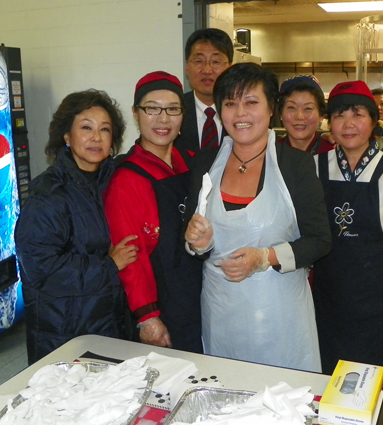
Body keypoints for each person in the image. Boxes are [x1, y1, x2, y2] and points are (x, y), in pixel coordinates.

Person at [184, 63, 331, 372]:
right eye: (230, 103)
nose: (240, 113)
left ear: (271, 109)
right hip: (221, 308)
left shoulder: (295, 165)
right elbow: (195, 239)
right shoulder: (206, 163)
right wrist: (198, 243)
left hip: (279, 311)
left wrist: (265, 257)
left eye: (251, 102)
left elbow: (319, 241)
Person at [313, 80, 383, 403]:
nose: (348, 124)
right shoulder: (315, 168)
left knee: (374, 387)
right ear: (329, 122)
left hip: (381, 298)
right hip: (330, 297)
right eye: (338, 115)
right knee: (330, 384)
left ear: (373, 120)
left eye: (358, 114)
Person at [15, 89, 138, 364]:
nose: (96, 137)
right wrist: (108, 265)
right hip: (65, 333)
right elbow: (41, 269)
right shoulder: (49, 194)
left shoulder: (111, 181)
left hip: (108, 323)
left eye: (105, 129)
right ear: (67, 136)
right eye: (86, 127)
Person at [103, 71, 203, 353]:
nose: (163, 119)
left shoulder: (194, 164)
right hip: (163, 304)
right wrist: (148, 317)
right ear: (136, 113)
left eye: (172, 109)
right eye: (152, 109)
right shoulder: (126, 179)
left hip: (202, 295)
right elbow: (131, 257)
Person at [175, 28, 233, 157]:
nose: (207, 70)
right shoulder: (173, 111)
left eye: (216, 62)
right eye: (199, 61)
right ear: (187, 67)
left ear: (229, 67)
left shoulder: (241, 112)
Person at [277, 75, 332, 154]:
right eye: (291, 107)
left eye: (308, 108)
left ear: (321, 115)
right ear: (280, 114)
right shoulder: (270, 153)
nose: (299, 116)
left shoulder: (333, 153)